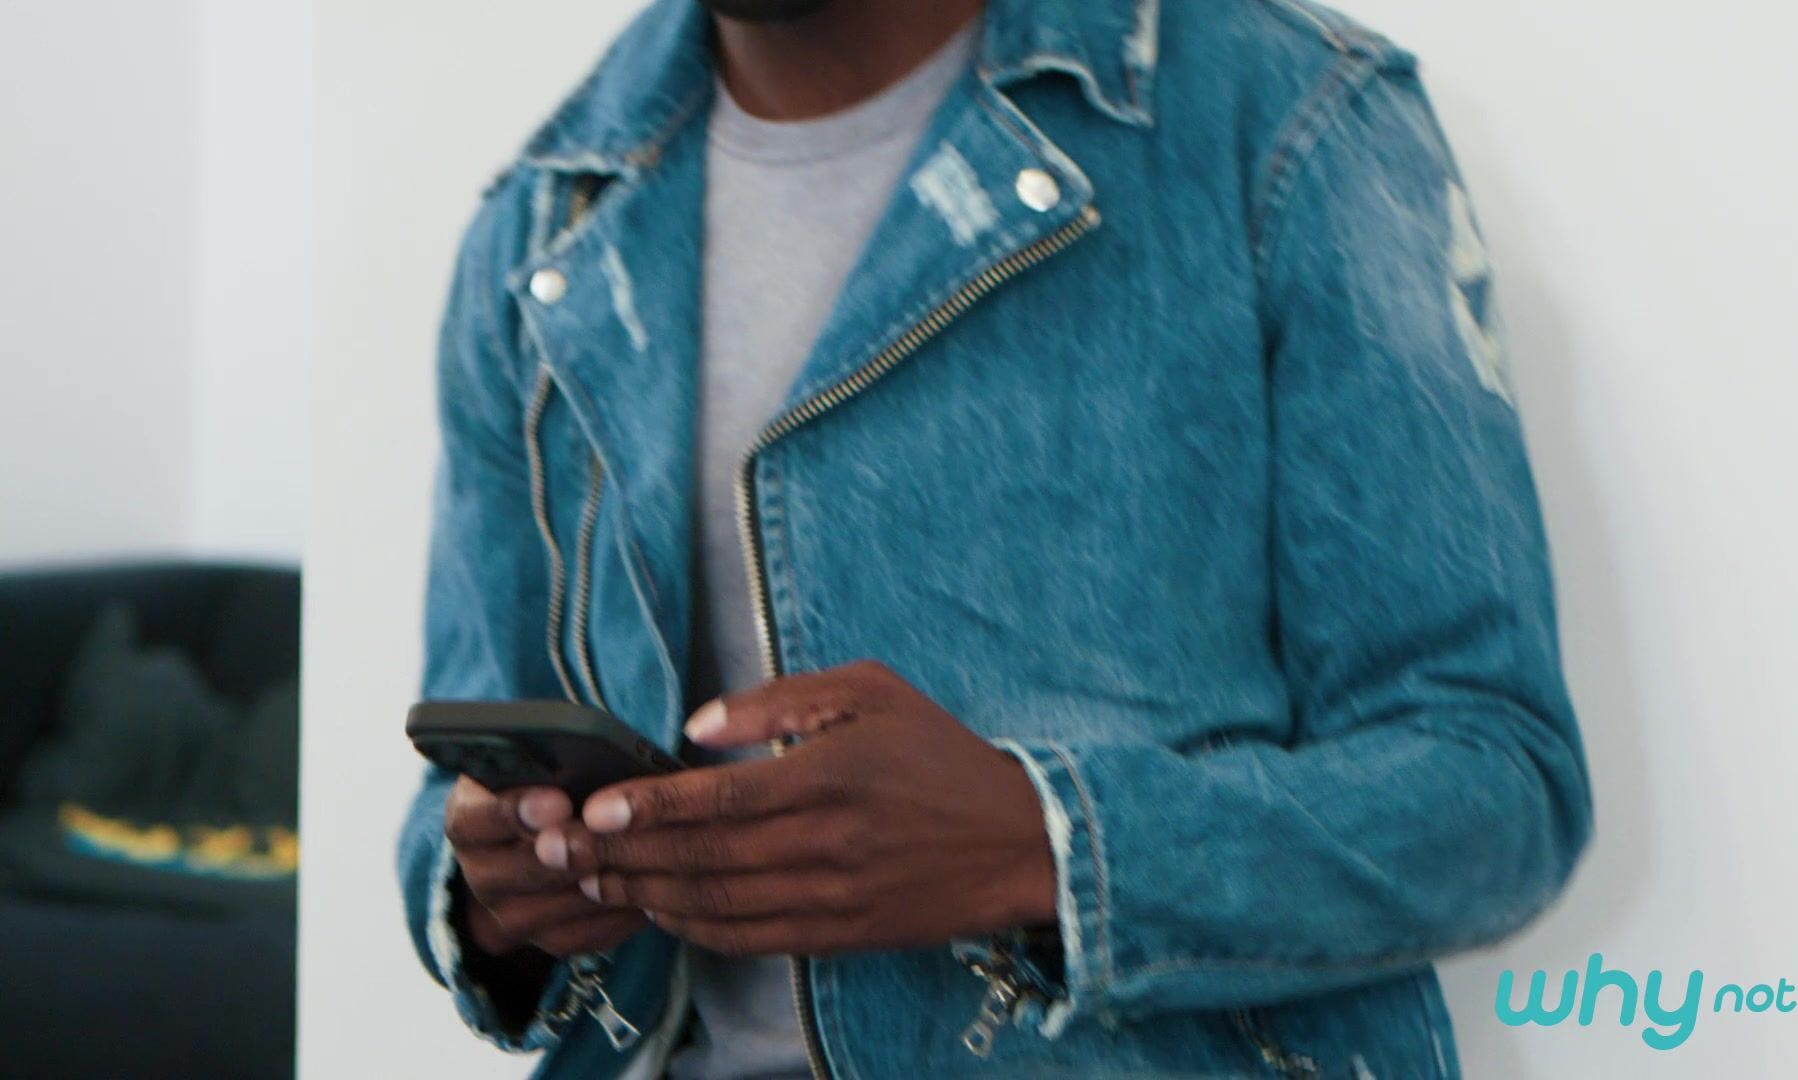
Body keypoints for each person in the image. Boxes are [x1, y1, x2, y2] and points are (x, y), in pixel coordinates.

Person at [395, 0, 1594, 1076]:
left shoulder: (1288, 118)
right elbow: (457, 789)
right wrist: (504, 894)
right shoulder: (542, 226)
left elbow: (1498, 784)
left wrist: (1046, 846)